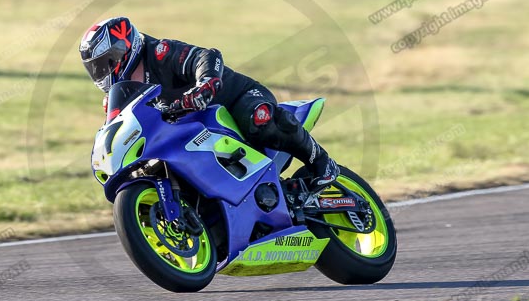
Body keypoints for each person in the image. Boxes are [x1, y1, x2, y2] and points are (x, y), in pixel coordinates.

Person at [79, 16, 339, 189]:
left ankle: (322, 163)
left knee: (259, 120)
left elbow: (206, 56)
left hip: (234, 99)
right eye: (95, 69)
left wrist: (206, 84)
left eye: (104, 64)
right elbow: (118, 128)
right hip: (191, 131)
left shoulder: (160, 53)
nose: (101, 73)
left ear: (120, 52)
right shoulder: (118, 96)